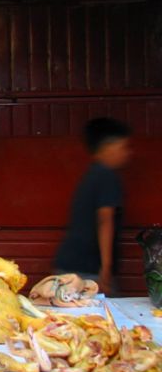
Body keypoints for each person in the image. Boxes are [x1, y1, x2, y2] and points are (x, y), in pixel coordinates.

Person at [54, 117, 132, 296]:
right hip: (87, 270)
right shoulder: (107, 177)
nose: (127, 153)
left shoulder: (93, 174)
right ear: (107, 148)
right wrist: (105, 269)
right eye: (123, 147)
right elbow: (105, 220)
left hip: (71, 264)